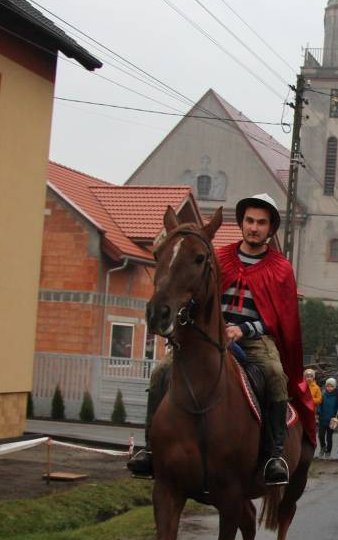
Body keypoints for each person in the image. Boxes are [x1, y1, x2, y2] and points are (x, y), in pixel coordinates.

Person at [127, 193, 309, 485]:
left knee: (275, 374)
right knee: (161, 372)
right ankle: (150, 449)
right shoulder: (218, 257)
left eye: (261, 223)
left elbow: (281, 318)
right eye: (249, 220)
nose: (254, 227)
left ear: (271, 228)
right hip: (209, 335)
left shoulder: (280, 269)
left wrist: (244, 330)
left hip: (254, 339)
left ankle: (274, 454)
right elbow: (199, 296)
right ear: (241, 223)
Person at [317, 377, 338, 457]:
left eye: (331, 386)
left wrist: (337, 414)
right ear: (326, 386)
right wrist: (319, 411)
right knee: (321, 435)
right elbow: (319, 404)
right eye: (328, 386)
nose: (329, 388)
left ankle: (328, 451)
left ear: (334, 387)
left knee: (329, 437)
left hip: (331, 420)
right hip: (323, 419)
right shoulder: (323, 395)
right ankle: (323, 447)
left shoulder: (336, 396)